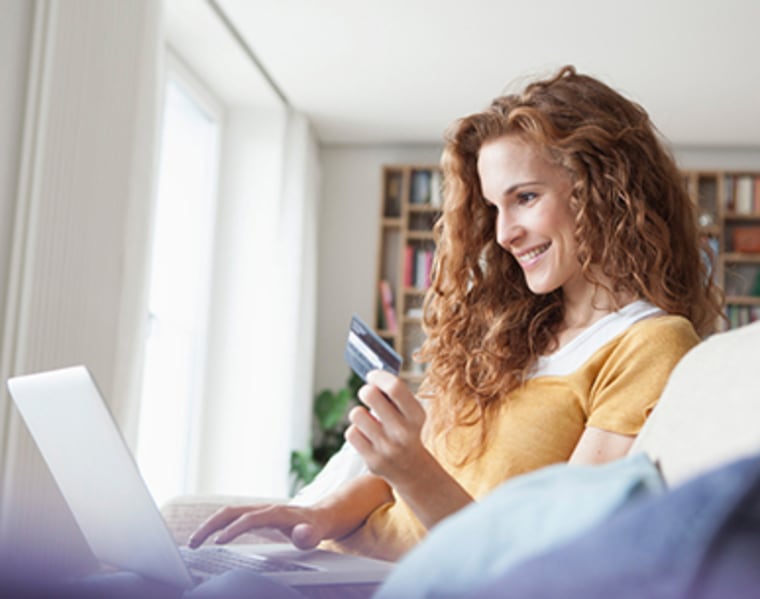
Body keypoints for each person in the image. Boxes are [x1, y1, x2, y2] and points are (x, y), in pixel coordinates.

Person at [188, 65, 723, 564]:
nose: (503, 233)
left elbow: (550, 565)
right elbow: (393, 476)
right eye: (494, 207)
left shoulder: (649, 344)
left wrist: (412, 470)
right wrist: (316, 515)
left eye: (526, 197)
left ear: (604, 192)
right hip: (342, 562)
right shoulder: (514, 330)